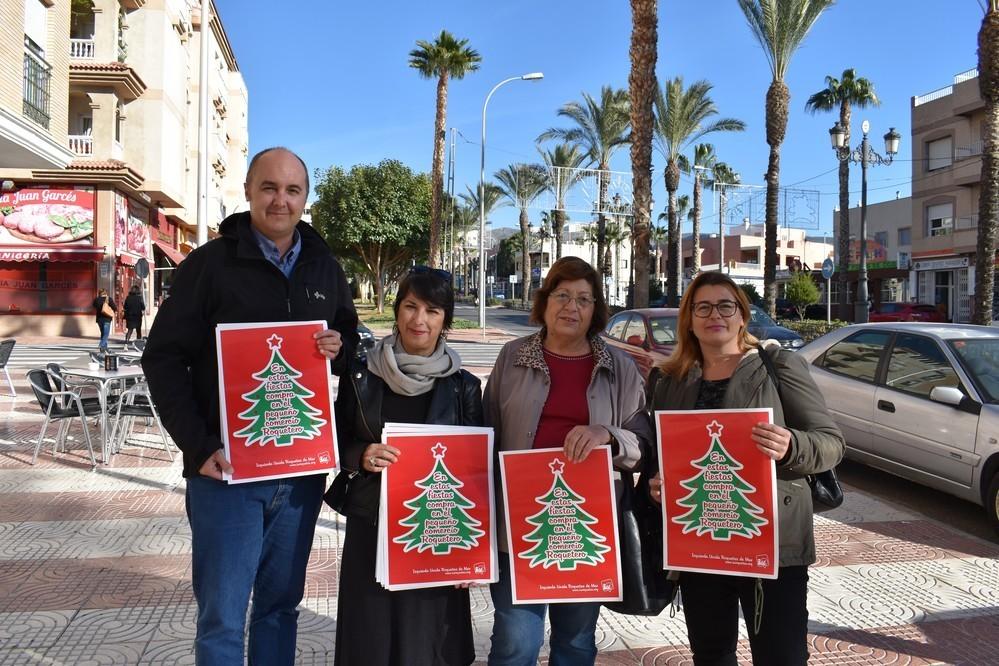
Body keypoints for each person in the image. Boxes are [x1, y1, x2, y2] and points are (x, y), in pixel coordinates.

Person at [142, 147, 359, 666]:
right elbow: (163, 358)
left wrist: (339, 346)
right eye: (269, 187)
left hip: (300, 472)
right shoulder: (209, 265)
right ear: (247, 191)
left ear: (306, 198)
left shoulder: (323, 266)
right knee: (222, 615)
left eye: (292, 190)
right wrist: (198, 446)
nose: (280, 200)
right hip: (226, 475)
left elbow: (349, 337)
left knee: (280, 608)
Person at [648, 271, 844, 666]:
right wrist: (657, 483)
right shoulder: (669, 380)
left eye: (726, 305)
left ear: (742, 316)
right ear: (688, 318)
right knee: (711, 653)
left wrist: (792, 445)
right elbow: (661, 452)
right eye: (702, 307)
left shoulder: (778, 366)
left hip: (771, 543)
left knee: (781, 656)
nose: (713, 314)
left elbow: (831, 442)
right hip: (699, 540)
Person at [484, 256, 650, 665]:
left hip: (589, 531)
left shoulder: (620, 368)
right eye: (562, 295)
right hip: (517, 528)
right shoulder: (513, 357)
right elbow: (485, 433)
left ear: (595, 310)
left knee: (575, 644)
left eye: (583, 299)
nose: (571, 307)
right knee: (515, 642)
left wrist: (608, 436)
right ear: (544, 301)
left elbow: (644, 441)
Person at [332, 266, 482, 666]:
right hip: (372, 523)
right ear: (397, 311)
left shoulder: (463, 385)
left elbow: (476, 473)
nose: (420, 320)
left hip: (436, 532)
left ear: (445, 321)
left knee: (427, 641)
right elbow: (336, 437)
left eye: (433, 311)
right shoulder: (362, 374)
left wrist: (474, 553)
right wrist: (361, 455)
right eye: (411, 307)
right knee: (371, 638)